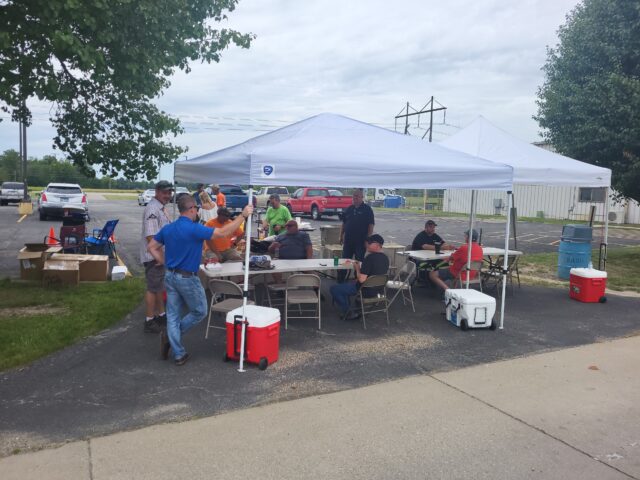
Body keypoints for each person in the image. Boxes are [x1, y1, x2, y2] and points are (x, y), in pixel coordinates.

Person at [147, 195, 253, 366]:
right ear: (191, 209)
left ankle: (178, 352)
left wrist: (165, 262)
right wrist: (243, 215)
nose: (197, 210)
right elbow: (223, 232)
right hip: (187, 277)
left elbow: (151, 247)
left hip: (170, 275)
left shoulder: (169, 228)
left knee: (173, 315)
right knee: (200, 311)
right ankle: (173, 341)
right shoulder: (194, 228)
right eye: (196, 208)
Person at [139, 180, 173, 333]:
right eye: (165, 192)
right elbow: (151, 237)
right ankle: (149, 320)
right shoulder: (152, 208)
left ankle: (161, 315)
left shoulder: (161, 208)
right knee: (153, 288)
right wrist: (159, 257)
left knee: (159, 287)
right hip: (154, 256)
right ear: (157, 192)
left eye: (169, 192)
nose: (168, 195)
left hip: (160, 255)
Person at [330, 234, 389, 321]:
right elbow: (375, 273)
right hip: (378, 289)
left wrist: (357, 269)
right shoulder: (385, 258)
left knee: (334, 289)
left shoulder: (369, 258)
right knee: (347, 284)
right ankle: (353, 307)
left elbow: (361, 279)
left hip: (364, 290)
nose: (367, 244)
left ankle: (348, 312)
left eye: (369, 243)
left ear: (377, 245)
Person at [338, 188, 374, 281]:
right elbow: (344, 223)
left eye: (357, 196)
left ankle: (357, 281)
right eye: (354, 196)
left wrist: (368, 239)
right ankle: (341, 280)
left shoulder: (367, 209)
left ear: (362, 197)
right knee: (344, 261)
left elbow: (371, 225)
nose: (355, 198)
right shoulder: (349, 208)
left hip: (360, 242)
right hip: (348, 241)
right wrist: (341, 235)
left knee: (358, 262)